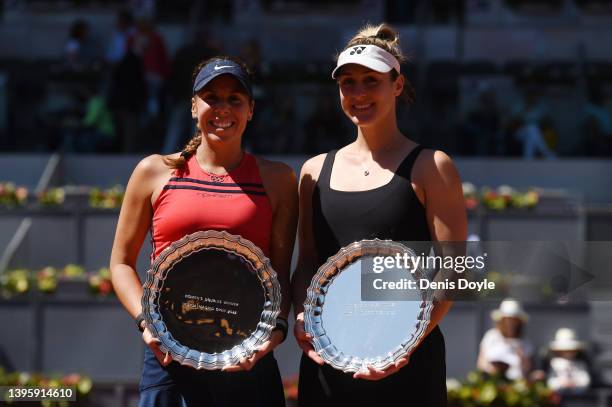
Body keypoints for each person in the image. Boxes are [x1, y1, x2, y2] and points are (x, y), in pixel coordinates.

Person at [291, 23, 467, 406]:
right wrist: (304, 320)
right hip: (331, 364)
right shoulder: (312, 171)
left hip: (409, 365)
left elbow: (455, 271)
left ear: (397, 86)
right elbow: (307, 264)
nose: (358, 94)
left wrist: (402, 344)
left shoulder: (432, 167)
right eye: (348, 83)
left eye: (371, 81)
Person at [110, 56, 297, 406]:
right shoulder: (154, 172)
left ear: (251, 109)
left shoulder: (279, 180)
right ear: (194, 107)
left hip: (247, 364)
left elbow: (280, 276)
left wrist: (275, 331)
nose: (222, 108)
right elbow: (120, 263)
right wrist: (146, 323)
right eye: (211, 97)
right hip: (169, 364)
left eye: (234, 99)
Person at [477, 299, 534, 381]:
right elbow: (481, 363)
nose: (510, 323)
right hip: (492, 382)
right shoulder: (491, 336)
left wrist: (522, 357)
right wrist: (493, 372)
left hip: (517, 385)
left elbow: (528, 370)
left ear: (519, 321)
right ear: (501, 320)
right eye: (507, 319)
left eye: (514, 320)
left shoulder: (525, 342)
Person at [546, 328, 591, 392]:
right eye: (565, 351)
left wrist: (574, 383)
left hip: (577, 398)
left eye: (571, 351)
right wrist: (562, 383)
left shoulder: (580, 364)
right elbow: (551, 383)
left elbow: (585, 382)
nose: (568, 353)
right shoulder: (554, 364)